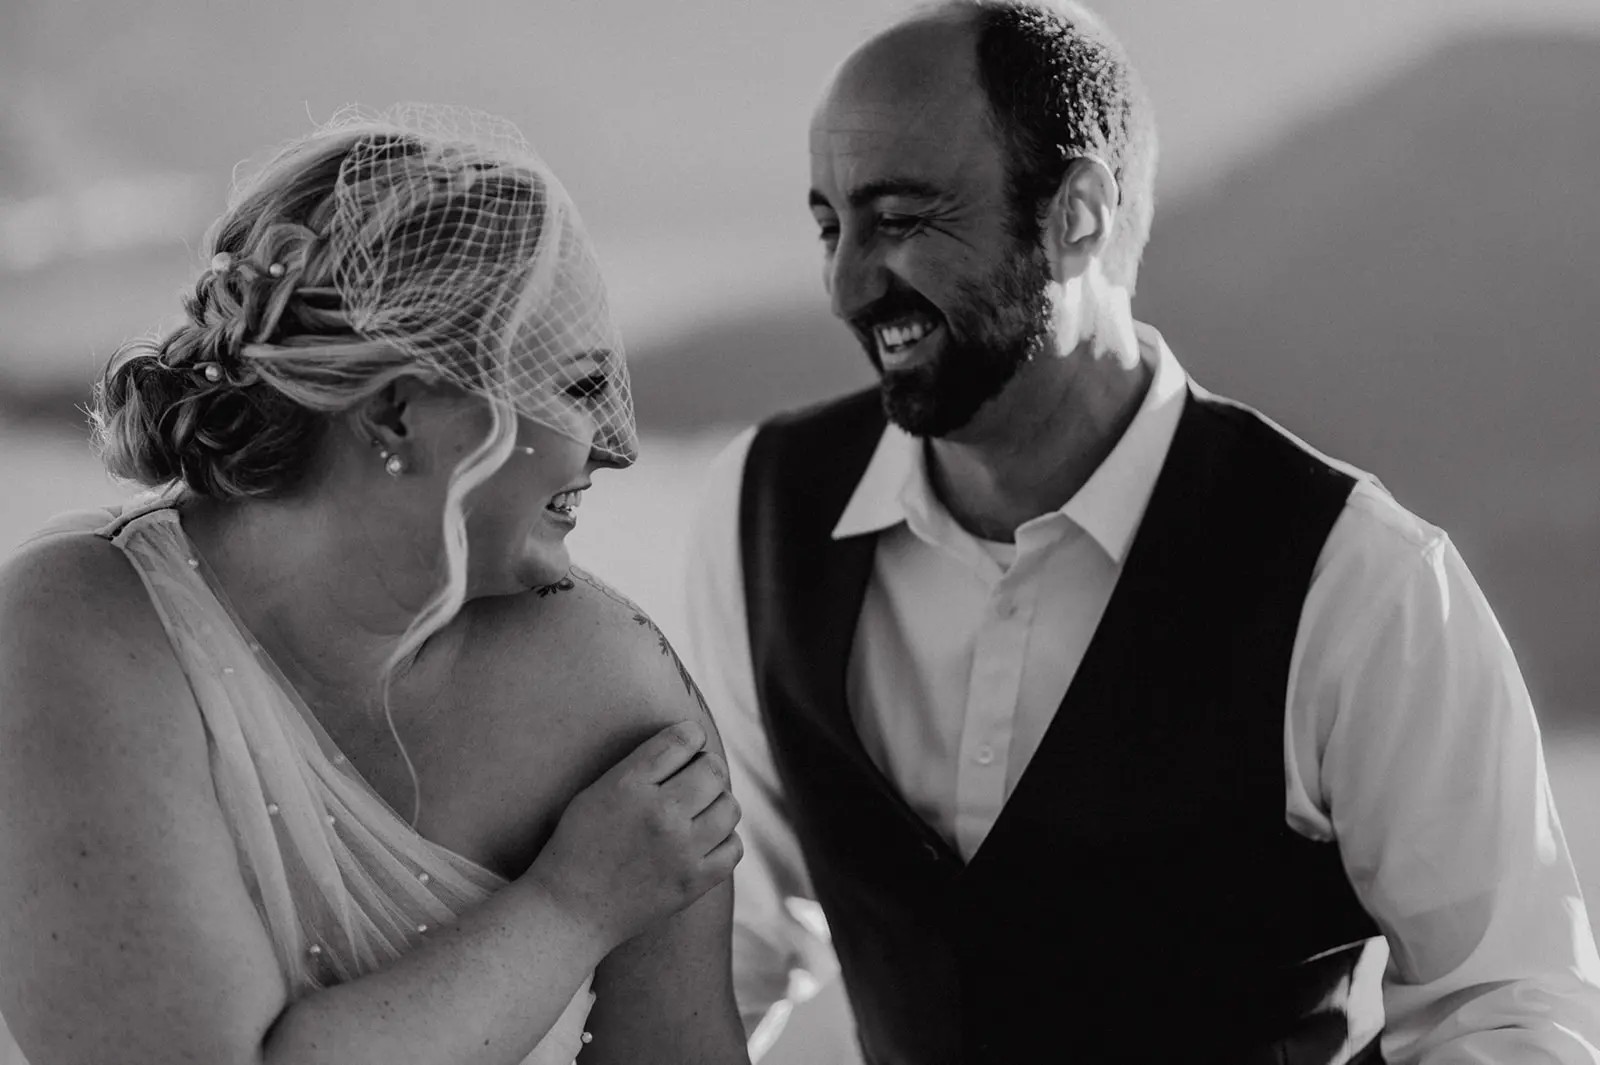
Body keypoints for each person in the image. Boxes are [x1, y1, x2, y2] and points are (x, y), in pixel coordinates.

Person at [679, 3, 1600, 1063]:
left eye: (901, 221)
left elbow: (1509, 1012)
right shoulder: (758, 512)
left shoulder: (1357, 578)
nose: (846, 285)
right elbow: (736, 942)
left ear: (1076, 214)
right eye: (831, 226)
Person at [0, 104, 749, 1065]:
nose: (618, 443)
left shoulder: (610, 683)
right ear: (397, 410)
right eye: (572, 386)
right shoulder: (83, 630)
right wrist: (570, 907)